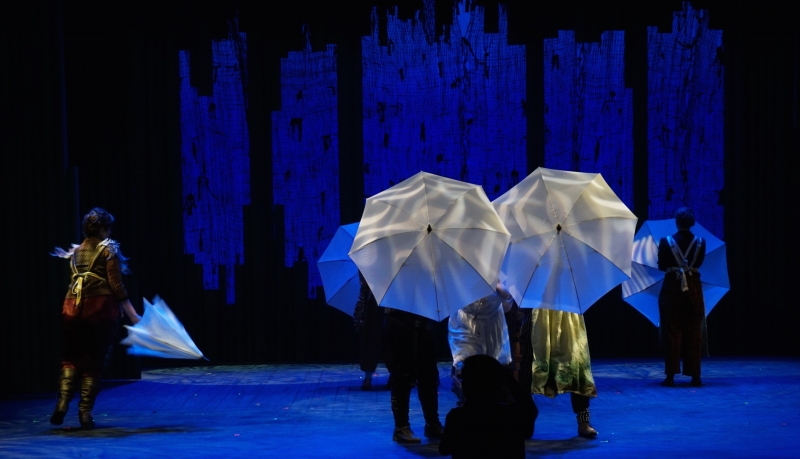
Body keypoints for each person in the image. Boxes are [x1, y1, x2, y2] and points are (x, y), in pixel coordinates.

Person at [50, 208, 141, 429]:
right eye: (108, 229)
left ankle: (63, 401)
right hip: (99, 307)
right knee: (94, 360)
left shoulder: (76, 251)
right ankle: (85, 413)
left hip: (72, 306)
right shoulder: (108, 249)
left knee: (71, 357)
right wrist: (133, 315)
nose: (109, 233)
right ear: (102, 230)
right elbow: (116, 285)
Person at [438, 354, 536, 458]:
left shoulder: (457, 418)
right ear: (499, 384)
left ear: (466, 386)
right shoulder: (510, 418)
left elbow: (444, 449)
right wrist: (507, 377)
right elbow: (529, 407)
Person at [529, 308, 598, 438]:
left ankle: (584, 421)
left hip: (568, 312)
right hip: (537, 312)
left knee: (577, 365)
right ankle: (524, 420)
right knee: (530, 367)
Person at [657, 207, 706, 387]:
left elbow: (661, 265)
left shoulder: (666, 241)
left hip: (672, 287)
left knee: (671, 330)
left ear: (676, 222)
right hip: (693, 288)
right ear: (691, 223)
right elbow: (699, 262)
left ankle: (670, 376)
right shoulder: (701, 242)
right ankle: (695, 376)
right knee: (694, 331)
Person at [384, 305, 443, 443]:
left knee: (428, 374)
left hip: (422, 316)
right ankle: (401, 427)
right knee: (403, 374)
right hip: (399, 317)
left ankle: (432, 424)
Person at [448, 281, 514, 402]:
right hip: (465, 321)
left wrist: (501, 290)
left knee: (491, 364)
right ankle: (470, 399)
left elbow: (507, 306)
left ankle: (491, 399)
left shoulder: (501, 273)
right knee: (469, 360)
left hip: (492, 322)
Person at [353, 271, 391, 390]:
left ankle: (394, 375)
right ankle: (368, 376)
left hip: (390, 299)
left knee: (391, 341)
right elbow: (364, 286)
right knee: (370, 340)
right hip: (372, 301)